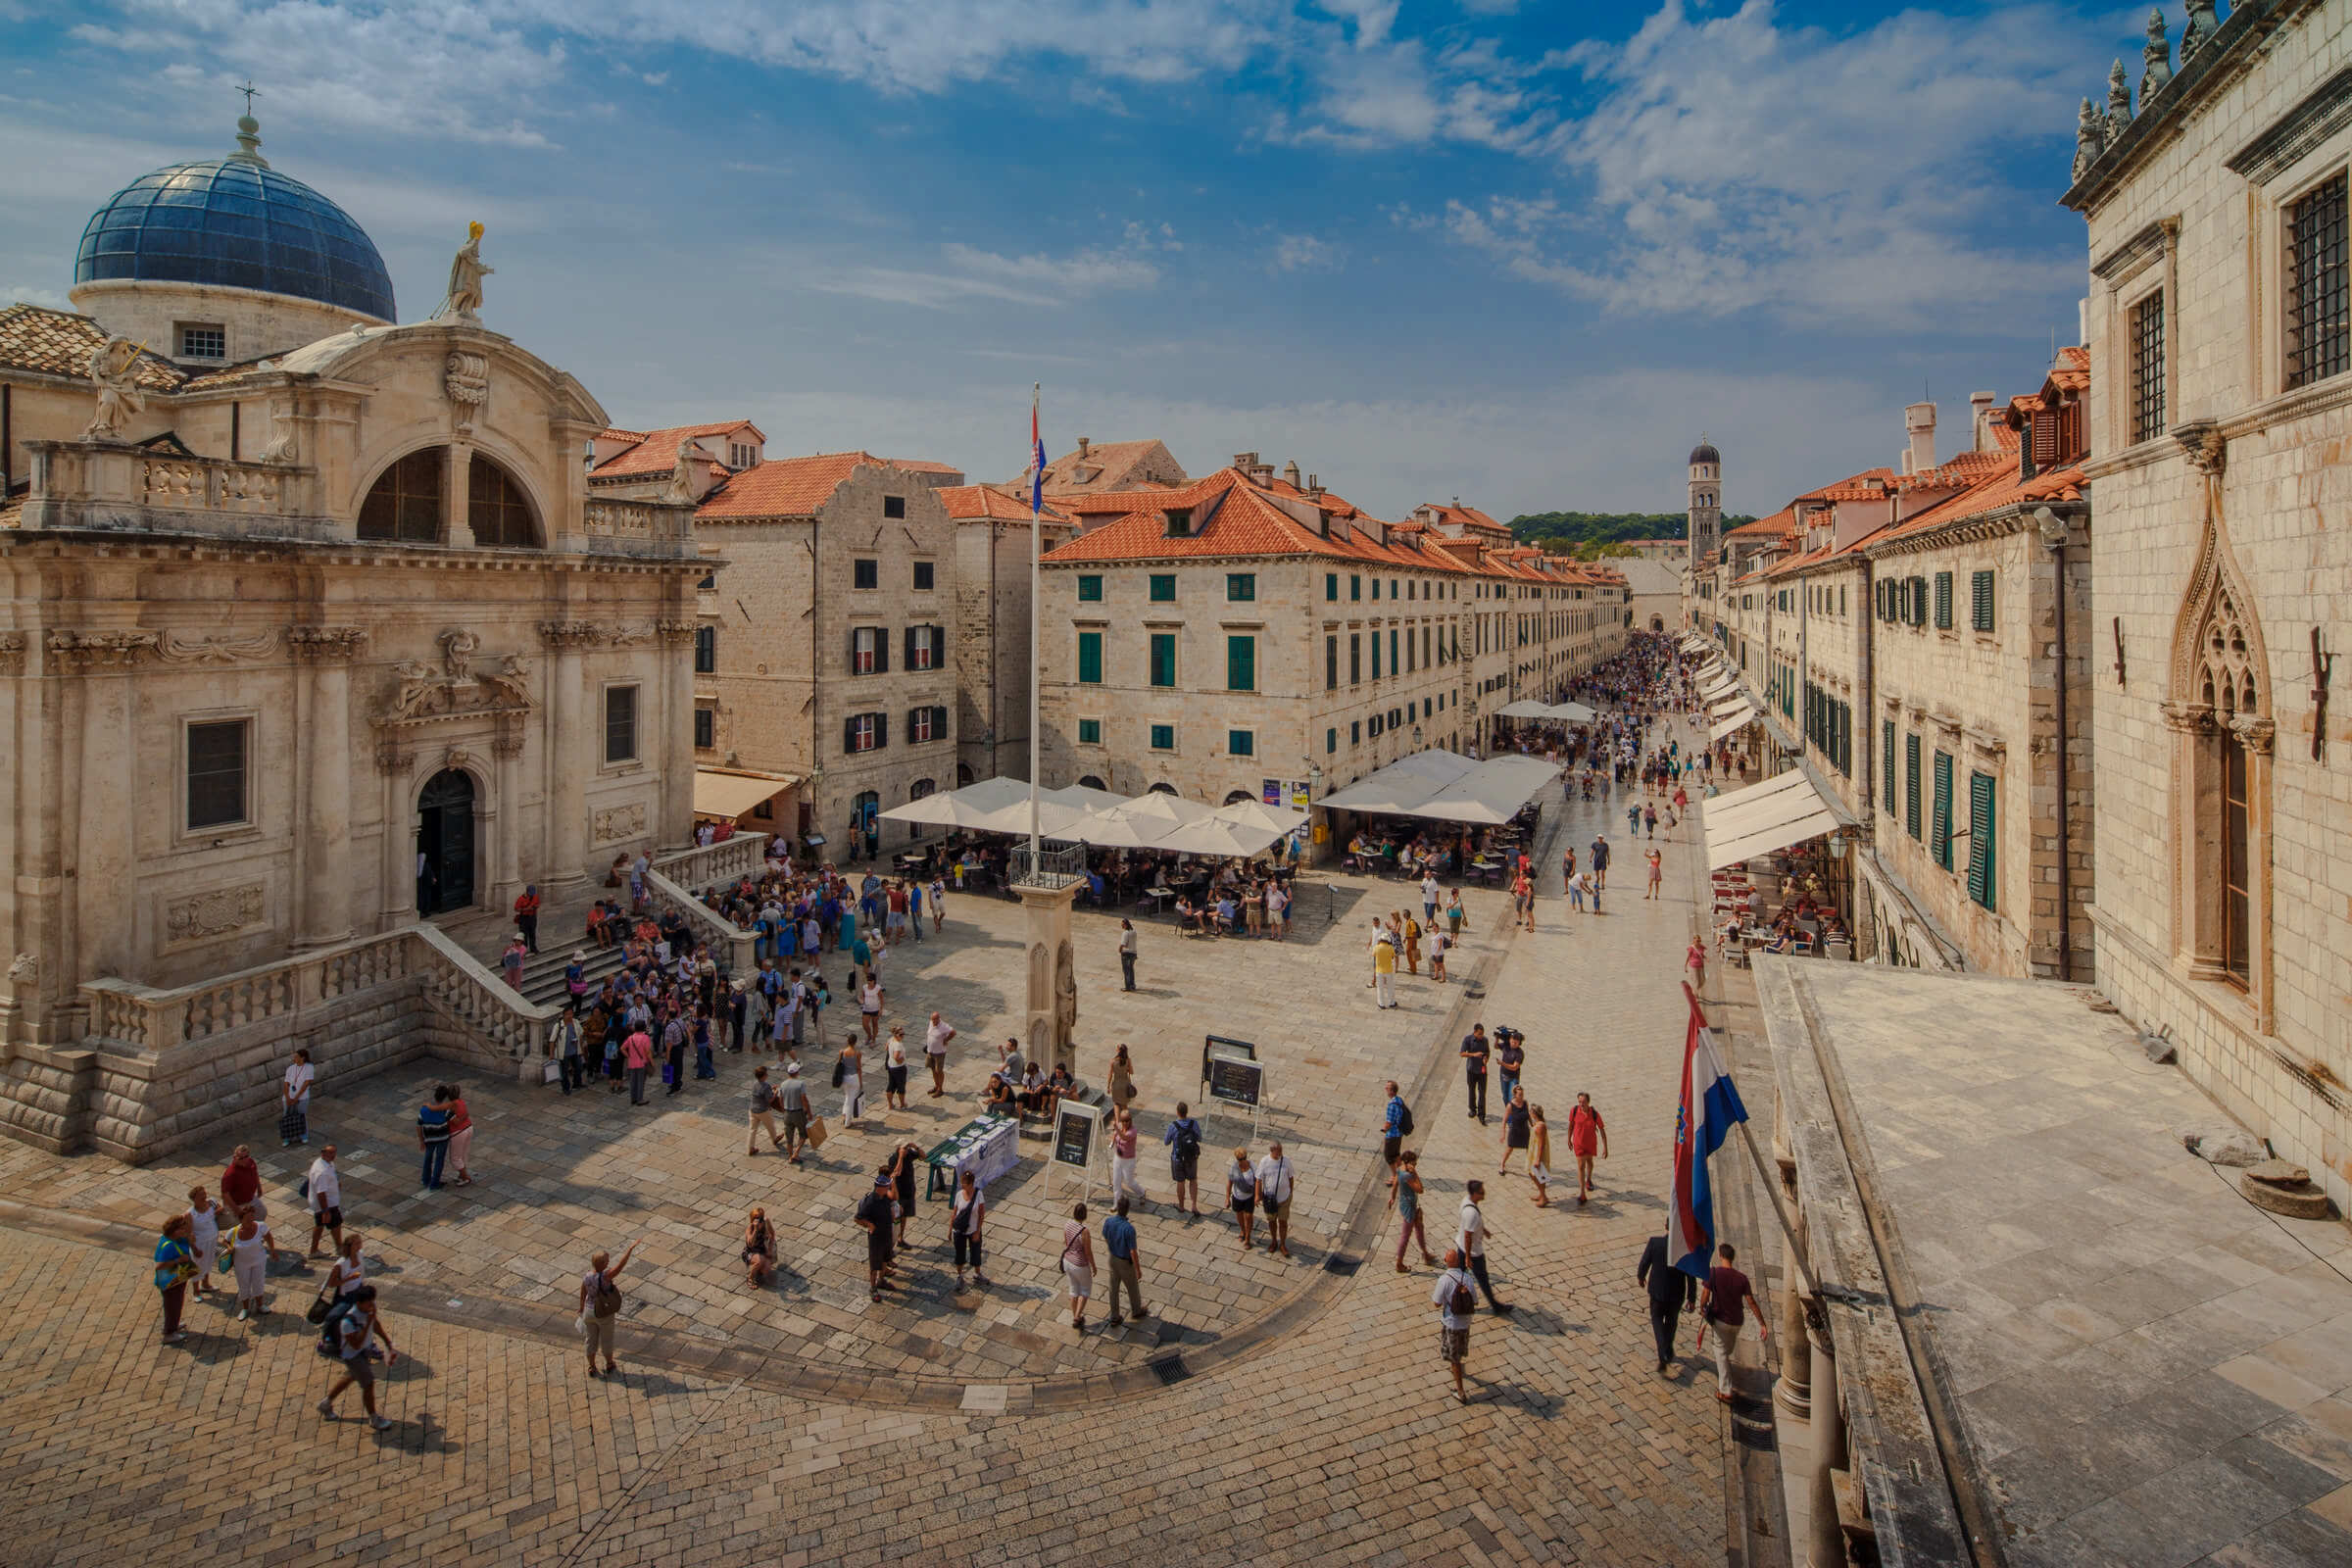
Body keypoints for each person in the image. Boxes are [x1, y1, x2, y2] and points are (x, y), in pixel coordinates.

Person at [317, 1284, 397, 1429]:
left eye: (372, 1302)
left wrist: (387, 1342)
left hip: (364, 1352)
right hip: (353, 1356)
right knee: (368, 1384)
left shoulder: (369, 1309)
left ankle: (325, 1403)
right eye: (369, 1303)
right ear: (359, 1303)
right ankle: (374, 1418)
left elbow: (375, 1324)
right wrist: (367, 1324)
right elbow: (355, 1344)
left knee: (350, 1377)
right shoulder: (348, 1322)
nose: (372, 1305)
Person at [1695, 1242, 1766, 1402]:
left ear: (1720, 1256)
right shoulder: (1742, 1279)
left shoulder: (1714, 1273)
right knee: (1726, 1350)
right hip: (1736, 1322)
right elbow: (1751, 1302)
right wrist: (1762, 1324)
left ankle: (1726, 1390)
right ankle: (1725, 1382)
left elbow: (1706, 1294)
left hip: (1720, 1319)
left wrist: (1702, 1307)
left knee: (1720, 1352)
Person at [1638, 1232, 1697, 1375]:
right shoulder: (1684, 1249)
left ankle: (1663, 1351)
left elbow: (1645, 1262)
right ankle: (1668, 1347)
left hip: (1657, 1292)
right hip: (1676, 1294)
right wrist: (1691, 1298)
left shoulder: (1655, 1242)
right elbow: (1691, 1276)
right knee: (1672, 1322)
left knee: (1657, 1322)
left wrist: (1641, 1276)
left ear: (1665, 1226)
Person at [579, 1239, 639, 1378]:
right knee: (606, 1338)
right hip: (602, 1311)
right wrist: (630, 1249)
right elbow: (620, 1266)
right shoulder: (605, 1276)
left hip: (588, 1311)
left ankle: (592, 1366)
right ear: (602, 1264)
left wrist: (581, 1306)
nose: (608, 1262)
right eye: (606, 1261)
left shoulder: (587, 1276)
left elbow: (583, 1291)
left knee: (590, 1339)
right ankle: (609, 1363)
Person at [1432, 1247, 1479, 1403]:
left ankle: (1460, 1391)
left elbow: (1436, 1303)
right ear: (1458, 1262)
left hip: (1452, 1323)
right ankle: (1459, 1370)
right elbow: (1476, 1301)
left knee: (1454, 1359)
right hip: (1466, 1322)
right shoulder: (1467, 1278)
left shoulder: (1444, 1280)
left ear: (1446, 1262)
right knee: (1458, 1352)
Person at [1456, 1180, 1510, 1312]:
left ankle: (1456, 1301)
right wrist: (1468, 1257)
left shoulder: (1467, 1201)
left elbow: (1470, 1226)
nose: (1483, 1194)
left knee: (1460, 1277)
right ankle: (1495, 1305)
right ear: (1474, 1194)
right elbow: (1468, 1235)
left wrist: (1483, 1230)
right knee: (1482, 1279)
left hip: (1461, 1246)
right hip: (1473, 1252)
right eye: (1481, 1192)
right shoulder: (1471, 1213)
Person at [226, 1205, 279, 1320]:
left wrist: (272, 1251)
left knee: (258, 1283)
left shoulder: (260, 1226)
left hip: (259, 1260)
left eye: (252, 1217)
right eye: (248, 1218)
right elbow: (225, 1241)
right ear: (241, 1219)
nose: (251, 1220)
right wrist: (229, 1248)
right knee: (243, 1285)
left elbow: (269, 1237)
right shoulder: (233, 1232)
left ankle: (260, 1305)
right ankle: (245, 1308)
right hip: (241, 1264)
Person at [1102, 1198, 1149, 1325]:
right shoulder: (1129, 1229)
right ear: (1128, 1210)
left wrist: (1111, 1246)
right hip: (1124, 1262)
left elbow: (1105, 1235)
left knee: (1113, 1288)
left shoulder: (1108, 1221)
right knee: (1132, 1287)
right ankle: (1136, 1310)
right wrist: (1138, 1269)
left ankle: (1114, 1316)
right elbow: (1133, 1251)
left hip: (1112, 1258)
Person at [154, 1212, 197, 1344]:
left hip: (179, 1277)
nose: (184, 1230)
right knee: (173, 1305)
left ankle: (173, 1324)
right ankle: (169, 1333)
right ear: (174, 1230)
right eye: (181, 1228)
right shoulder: (168, 1245)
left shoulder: (178, 1239)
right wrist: (178, 1260)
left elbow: (188, 1218)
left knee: (177, 1304)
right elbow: (159, 1266)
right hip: (170, 1282)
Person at [1391, 1149, 1436, 1271]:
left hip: (1409, 1205)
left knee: (1420, 1229)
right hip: (1409, 1208)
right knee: (1405, 1236)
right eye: (1414, 1163)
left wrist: (1392, 1198)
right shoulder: (1407, 1175)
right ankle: (1399, 1263)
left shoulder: (1400, 1169)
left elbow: (1395, 1184)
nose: (1415, 1165)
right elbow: (1420, 1189)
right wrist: (1415, 1173)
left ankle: (1426, 1254)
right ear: (1408, 1162)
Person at [855, 1169, 896, 1301]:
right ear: (880, 1188)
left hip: (887, 1233)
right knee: (875, 1264)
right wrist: (869, 1225)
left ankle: (881, 1280)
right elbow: (858, 1218)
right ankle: (873, 1288)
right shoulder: (870, 1201)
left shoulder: (884, 1198)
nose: (889, 1187)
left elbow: (891, 1202)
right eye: (887, 1186)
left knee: (885, 1260)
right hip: (876, 1237)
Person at [1060, 1201, 1097, 1331]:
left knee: (1074, 1290)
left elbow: (1066, 1242)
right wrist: (1093, 1266)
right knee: (1085, 1290)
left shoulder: (1067, 1224)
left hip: (1067, 1262)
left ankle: (1076, 1316)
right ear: (1085, 1215)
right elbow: (1088, 1252)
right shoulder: (1084, 1231)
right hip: (1080, 1264)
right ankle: (1077, 1317)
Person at [1255, 1141, 1296, 1258]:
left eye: (1281, 1150)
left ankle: (1283, 1244)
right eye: (1279, 1150)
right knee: (1272, 1221)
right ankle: (1274, 1241)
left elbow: (1291, 1177)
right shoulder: (1264, 1161)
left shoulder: (1286, 1161)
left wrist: (1290, 1192)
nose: (1281, 1153)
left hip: (1284, 1199)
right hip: (1270, 1200)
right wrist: (1258, 1196)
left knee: (1283, 1222)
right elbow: (1258, 1179)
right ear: (1272, 1151)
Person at [1567, 1092, 1609, 1203]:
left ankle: (1589, 1179)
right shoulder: (1574, 1111)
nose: (1581, 1104)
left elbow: (1602, 1130)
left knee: (1589, 1162)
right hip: (1579, 1143)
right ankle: (1582, 1193)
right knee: (1581, 1166)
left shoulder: (1594, 1114)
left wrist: (1605, 1147)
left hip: (1590, 1143)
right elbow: (1571, 1125)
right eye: (1579, 1102)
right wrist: (1569, 1139)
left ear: (1588, 1102)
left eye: (1583, 1102)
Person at [184, 1184, 223, 1300]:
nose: (204, 1196)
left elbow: (219, 1211)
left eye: (204, 1193)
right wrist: (195, 1249)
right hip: (199, 1244)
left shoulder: (210, 1204)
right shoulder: (190, 1214)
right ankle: (196, 1292)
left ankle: (206, 1284)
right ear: (194, 1198)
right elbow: (189, 1233)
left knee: (209, 1262)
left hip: (212, 1241)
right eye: (201, 1195)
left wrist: (218, 1210)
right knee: (197, 1266)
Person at [1164, 1102, 1203, 1216]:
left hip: (1178, 1158)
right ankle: (1194, 1205)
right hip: (1191, 1158)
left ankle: (1181, 1206)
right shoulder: (1193, 1123)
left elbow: (1166, 1142)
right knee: (1193, 1180)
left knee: (1180, 1182)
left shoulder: (1173, 1126)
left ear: (1177, 1112)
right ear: (1186, 1112)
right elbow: (1199, 1138)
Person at [951, 1168, 988, 1290]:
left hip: (973, 1230)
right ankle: (960, 1276)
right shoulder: (959, 1194)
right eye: (962, 1183)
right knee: (959, 1255)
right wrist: (950, 1229)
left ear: (971, 1184)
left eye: (965, 1184)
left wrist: (977, 1231)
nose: (963, 1186)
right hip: (959, 1231)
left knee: (976, 1253)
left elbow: (981, 1213)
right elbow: (955, 1212)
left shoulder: (979, 1194)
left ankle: (977, 1273)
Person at [306, 1145, 345, 1257]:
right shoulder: (321, 1172)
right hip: (327, 1204)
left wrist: (336, 1183)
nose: (333, 1156)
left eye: (334, 1153)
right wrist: (326, 1211)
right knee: (336, 1224)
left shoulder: (326, 1163)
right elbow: (321, 1193)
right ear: (323, 1153)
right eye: (331, 1153)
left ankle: (313, 1250)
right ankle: (339, 1248)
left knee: (320, 1225)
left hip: (327, 1202)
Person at [416, 1089, 453, 1193]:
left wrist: (421, 1140)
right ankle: (435, 1183)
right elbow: (452, 1121)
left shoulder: (424, 1110)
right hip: (442, 1138)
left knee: (428, 1158)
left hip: (429, 1138)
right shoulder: (446, 1110)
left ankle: (425, 1179)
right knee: (439, 1160)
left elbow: (418, 1126)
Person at [776, 1061, 812, 1163]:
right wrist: (809, 1112)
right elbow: (804, 1099)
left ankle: (790, 1156)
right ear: (797, 1072)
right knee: (804, 1134)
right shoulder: (800, 1084)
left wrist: (784, 1110)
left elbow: (780, 1099)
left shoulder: (783, 1084)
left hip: (787, 1113)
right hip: (798, 1113)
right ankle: (796, 1154)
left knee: (789, 1137)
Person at [1109, 1108, 1147, 1205]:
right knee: (1116, 1181)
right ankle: (1116, 1203)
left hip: (1129, 1160)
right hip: (1118, 1158)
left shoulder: (1133, 1131)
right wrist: (1113, 1141)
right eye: (1124, 1120)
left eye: (1128, 1120)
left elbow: (1124, 1137)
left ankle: (1141, 1192)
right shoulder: (1120, 1127)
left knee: (1129, 1182)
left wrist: (1116, 1128)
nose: (1126, 1122)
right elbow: (1116, 1135)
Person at [220, 1145, 265, 1224]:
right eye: (241, 1158)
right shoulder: (230, 1173)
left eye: (246, 1156)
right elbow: (225, 1194)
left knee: (262, 1213)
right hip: (238, 1204)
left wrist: (259, 1187)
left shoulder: (251, 1162)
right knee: (244, 1224)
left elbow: (255, 1174)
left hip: (250, 1198)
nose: (244, 1160)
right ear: (235, 1157)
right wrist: (237, 1210)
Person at [748, 1065, 787, 1155]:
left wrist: (770, 1090)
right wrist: (776, 1092)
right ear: (764, 1076)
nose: (767, 1075)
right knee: (770, 1125)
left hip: (752, 1109)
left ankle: (751, 1148)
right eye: (766, 1074)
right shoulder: (766, 1086)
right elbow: (770, 1100)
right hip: (763, 1110)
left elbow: (761, 1094)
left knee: (752, 1129)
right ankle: (774, 1139)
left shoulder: (755, 1084)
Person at [1226, 1147, 1258, 1251]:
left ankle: (1248, 1238)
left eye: (1243, 1158)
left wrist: (1258, 1196)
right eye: (1240, 1159)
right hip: (1237, 1196)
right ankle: (1243, 1231)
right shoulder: (1234, 1168)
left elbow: (1258, 1181)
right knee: (1239, 1215)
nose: (1242, 1161)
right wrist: (1227, 1198)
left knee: (1248, 1216)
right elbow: (1229, 1182)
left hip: (1249, 1196)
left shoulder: (1253, 1166)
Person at [443, 1082, 475, 1186]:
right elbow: (466, 1114)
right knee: (463, 1154)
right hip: (469, 1128)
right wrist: (463, 1117)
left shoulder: (450, 1108)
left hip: (458, 1133)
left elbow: (456, 1122)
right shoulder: (461, 1102)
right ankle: (462, 1176)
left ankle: (466, 1178)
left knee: (455, 1158)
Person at [281, 1048, 315, 1147]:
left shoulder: (309, 1067)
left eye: (296, 1057)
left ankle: (303, 1135)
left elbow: (306, 1083)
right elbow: (286, 1084)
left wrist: (296, 1098)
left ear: (302, 1058)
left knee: (301, 1116)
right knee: (287, 1117)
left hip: (302, 1097)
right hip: (289, 1097)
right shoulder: (290, 1068)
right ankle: (287, 1138)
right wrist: (287, 1097)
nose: (294, 1058)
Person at [1459, 1024, 1491, 1123]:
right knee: (1471, 1091)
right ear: (1475, 1032)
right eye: (1479, 1034)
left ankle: (1482, 1114)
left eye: (1482, 1034)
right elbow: (1462, 1053)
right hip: (1471, 1070)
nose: (1481, 1036)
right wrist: (1473, 1054)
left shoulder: (1485, 1040)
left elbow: (1487, 1052)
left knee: (1482, 1093)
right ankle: (1473, 1110)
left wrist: (1486, 1059)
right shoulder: (1468, 1039)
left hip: (1482, 1071)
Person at [1498, 1086, 1531, 1176]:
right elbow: (1504, 1120)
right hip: (1515, 1130)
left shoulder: (1525, 1103)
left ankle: (1531, 1166)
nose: (1521, 1096)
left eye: (1522, 1094)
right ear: (1515, 1095)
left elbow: (1528, 1116)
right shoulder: (1510, 1105)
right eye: (1520, 1094)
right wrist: (1503, 1134)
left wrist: (1533, 1125)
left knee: (1529, 1149)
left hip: (1525, 1130)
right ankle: (1502, 1164)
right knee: (1509, 1149)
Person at [924, 1010, 956, 1098]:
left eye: (934, 1020)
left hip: (939, 1053)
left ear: (938, 1019)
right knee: (933, 1069)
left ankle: (940, 1089)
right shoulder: (931, 1023)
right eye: (932, 1019)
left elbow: (953, 1032)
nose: (933, 1021)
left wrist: (946, 1040)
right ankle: (936, 1086)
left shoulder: (943, 1026)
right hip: (930, 1051)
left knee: (939, 1070)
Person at [742, 1207, 775, 1289]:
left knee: (766, 1270)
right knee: (760, 1260)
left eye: (761, 1217)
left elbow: (772, 1234)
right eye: (756, 1218)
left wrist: (770, 1249)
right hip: (750, 1252)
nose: (759, 1220)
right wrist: (756, 1230)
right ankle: (750, 1278)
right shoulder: (750, 1228)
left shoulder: (766, 1221)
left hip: (762, 1250)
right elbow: (750, 1244)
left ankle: (757, 1270)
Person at [1527, 1104, 1552, 1207]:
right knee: (1534, 1173)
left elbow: (1541, 1143)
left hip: (1538, 1154)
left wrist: (1538, 1159)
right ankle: (1542, 1194)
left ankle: (1543, 1197)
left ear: (1534, 1113)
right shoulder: (1537, 1123)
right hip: (1534, 1152)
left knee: (1537, 1174)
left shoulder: (1540, 1126)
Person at [836, 1033, 864, 1123]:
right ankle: (847, 1122)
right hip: (854, 1077)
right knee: (851, 1098)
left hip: (844, 1077)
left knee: (848, 1096)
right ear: (855, 1042)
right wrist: (860, 1081)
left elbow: (839, 1064)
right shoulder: (858, 1053)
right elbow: (859, 1068)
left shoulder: (842, 1052)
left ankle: (844, 1115)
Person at [623, 1020, 653, 1105]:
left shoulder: (631, 1038)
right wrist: (652, 1062)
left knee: (633, 1081)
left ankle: (633, 1098)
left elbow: (622, 1048)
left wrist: (629, 1056)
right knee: (640, 1082)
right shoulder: (645, 1038)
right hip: (642, 1063)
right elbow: (648, 1052)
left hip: (632, 1063)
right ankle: (640, 1099)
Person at [1369, 920, 1396, 1009]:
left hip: (1379, 971)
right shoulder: (1390, 947)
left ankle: (1381, 1004)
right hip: (1388, 970)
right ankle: (1392, 1002)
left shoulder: (1377, 947)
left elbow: (1373, 955)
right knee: (1390, 987)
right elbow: (1393, 957)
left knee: (1380, 988)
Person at [1381, 1080, 1407, 1167]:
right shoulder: (1399, 1100)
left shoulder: (1392, 1105)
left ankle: (1395, 1176)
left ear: (1391, 1091)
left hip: (1392, 1134)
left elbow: (1389, 1122)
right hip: (1399, 1133)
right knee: (1396, 1154)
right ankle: (1400, 1171)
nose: (1385, 1088)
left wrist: (1384, 1129)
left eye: (1387, 1088)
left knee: (1388, 1156)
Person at [884, 1023, 911, 1110]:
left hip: (891, 1066)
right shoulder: (898, 1045)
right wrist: (902, 1059)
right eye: (901, 1035)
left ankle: (890, 1104)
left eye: (903, 1034)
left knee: (891, 1085)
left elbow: (886, 1048)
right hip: (899, 1068)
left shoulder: (890, 1039)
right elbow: (896, 1057)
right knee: (901, 1086)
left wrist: (891, 1054)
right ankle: (902, 1104)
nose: (902, 1036)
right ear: (896, 1035)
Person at [1495, 1029, 1524, 1107]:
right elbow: (1496, 1046)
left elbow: (1514, 1067)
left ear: (1519, 1043)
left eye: (1516, 1042)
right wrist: (1497, 1038)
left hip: (1513, 1078)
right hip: (1503, 1075)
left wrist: (1502, 1063)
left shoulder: (1519, 1053)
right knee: (1505, 1097)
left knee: (1512, 1097)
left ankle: (1512, 1115)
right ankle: (1509, 1111)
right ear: (1510, 1040)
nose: (1513, 1043)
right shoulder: (1506, 1045)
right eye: (1512, 1041)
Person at [1107, 1044, 1137, 1116]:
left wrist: (1108, 1086)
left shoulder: (1113, 1061)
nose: (1116, 1048)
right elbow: (1132, 1072)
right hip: (1125, 1085)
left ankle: (1117, 1122)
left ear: (1119, 1051)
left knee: (1116, 1103)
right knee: (1124, 1106)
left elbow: (1110, 1075)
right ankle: (1126, 1120)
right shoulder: (1128, 1060)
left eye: (1117, 1047)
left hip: (1116, 1085)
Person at [858, 971, 885, 1044]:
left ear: (874, 981)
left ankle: (873, 1039)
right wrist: (862, 1001)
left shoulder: (878, 988)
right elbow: (863, 996)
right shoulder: (865, 987)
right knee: (865, 1024)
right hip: (866, 1009)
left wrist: (881, 1009)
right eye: (868, 980)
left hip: (875, 1009)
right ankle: (869, 1035)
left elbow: (881, 999)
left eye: (870, 980)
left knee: (874, 1024)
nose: (869, 982)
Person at [514, 884, 541, 953]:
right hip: (524, 918)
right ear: (527, 892)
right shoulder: (521, 899)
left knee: (532, 933)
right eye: (530, 893)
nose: (532, 895)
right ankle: (524, 949)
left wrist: (534, 907)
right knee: (524, 935)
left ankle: (533, 948)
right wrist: (525, 909)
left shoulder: (535, 896)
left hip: (532, 917)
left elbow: (538, 904)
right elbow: (516, 909)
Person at [1118, 918, 1139, 992]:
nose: (1122, 927)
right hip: (1133, 953)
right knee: (1131, 969)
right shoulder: (1134, 931)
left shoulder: (1125, 933)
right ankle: (1132, 985)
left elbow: (1123, 944)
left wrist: (1120, 950)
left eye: (1123, 925)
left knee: (1126, 970)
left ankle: (1127, 986)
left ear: (1126, 925)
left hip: (1126, 954)